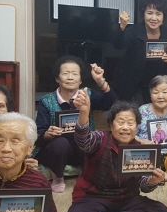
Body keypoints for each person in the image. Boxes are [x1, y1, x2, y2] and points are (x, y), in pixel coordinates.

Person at [63, 92, 167, 212]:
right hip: (93, 198)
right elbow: (83, 140)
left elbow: (142, 184)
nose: (125, 127)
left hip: (126, 199)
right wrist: (83, 113)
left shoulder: (141, 148)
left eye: (130, 123)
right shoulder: (100, 139)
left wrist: (152, 181)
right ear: (111, 125)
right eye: (120, 122)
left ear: (137, 127)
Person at [35, 55, 117, 193]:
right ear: (57, 78)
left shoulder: (87, 95)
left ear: (80, 80)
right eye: (65, 73)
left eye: (74, 74)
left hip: (81, 149)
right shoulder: (46, 101)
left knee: (86, 140)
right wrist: (48, 134)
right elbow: (39, 134)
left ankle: (88, 176)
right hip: (56, 151)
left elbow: (111, 103)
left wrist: (100, 81)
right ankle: (58, 177)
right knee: (60, 143)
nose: (70, 77)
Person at [113, 0, 167, 103]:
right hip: (131, 82)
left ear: (163, 17)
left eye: (158, 14)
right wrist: (122, 27)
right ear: (143, 14)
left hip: (156, 83)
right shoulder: (134, 31)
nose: (154, 18)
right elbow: (118, 45)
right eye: (150, 13)